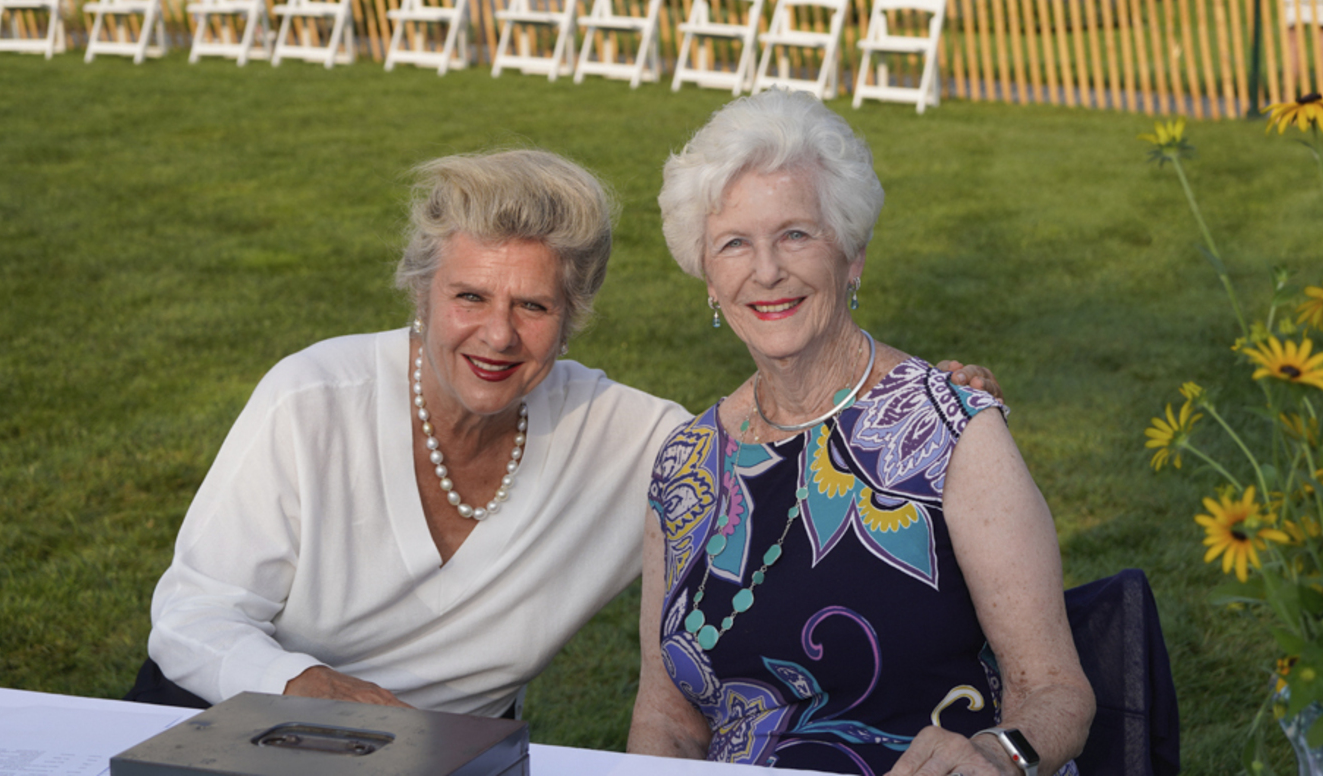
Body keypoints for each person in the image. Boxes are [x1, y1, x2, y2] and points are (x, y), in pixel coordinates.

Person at [142, 149, 1001, 718]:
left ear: (573, 316)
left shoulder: (640, 444)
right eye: (469, 297)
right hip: (233, 725)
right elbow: (190, 617)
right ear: (421, 295)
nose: (497, 335)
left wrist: (921, 397)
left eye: (534, 306)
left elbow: (791, 455)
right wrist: (307, 686)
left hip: (448, 762)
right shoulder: (313, 400)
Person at [628, 91, 1095, 776]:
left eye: (795, 234)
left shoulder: (949, 430)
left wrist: (1000, 756)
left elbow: (1056, 693)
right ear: (707, 276)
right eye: (734, 243)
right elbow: (665, 720)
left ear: (852, 256)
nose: (766, 271)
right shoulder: (684, 468)